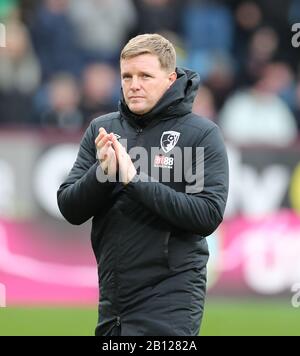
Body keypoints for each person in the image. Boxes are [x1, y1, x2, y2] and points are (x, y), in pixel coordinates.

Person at [57, 34, 229, 336]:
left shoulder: (201, 134)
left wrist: (133, 181)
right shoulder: (102, 129)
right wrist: (103, 173)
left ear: (170, 78)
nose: (134, 84)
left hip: (172, 296)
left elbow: (207, 214)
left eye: (145, 76)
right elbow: (70, 207)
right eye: (127, 75)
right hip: (113, 297)